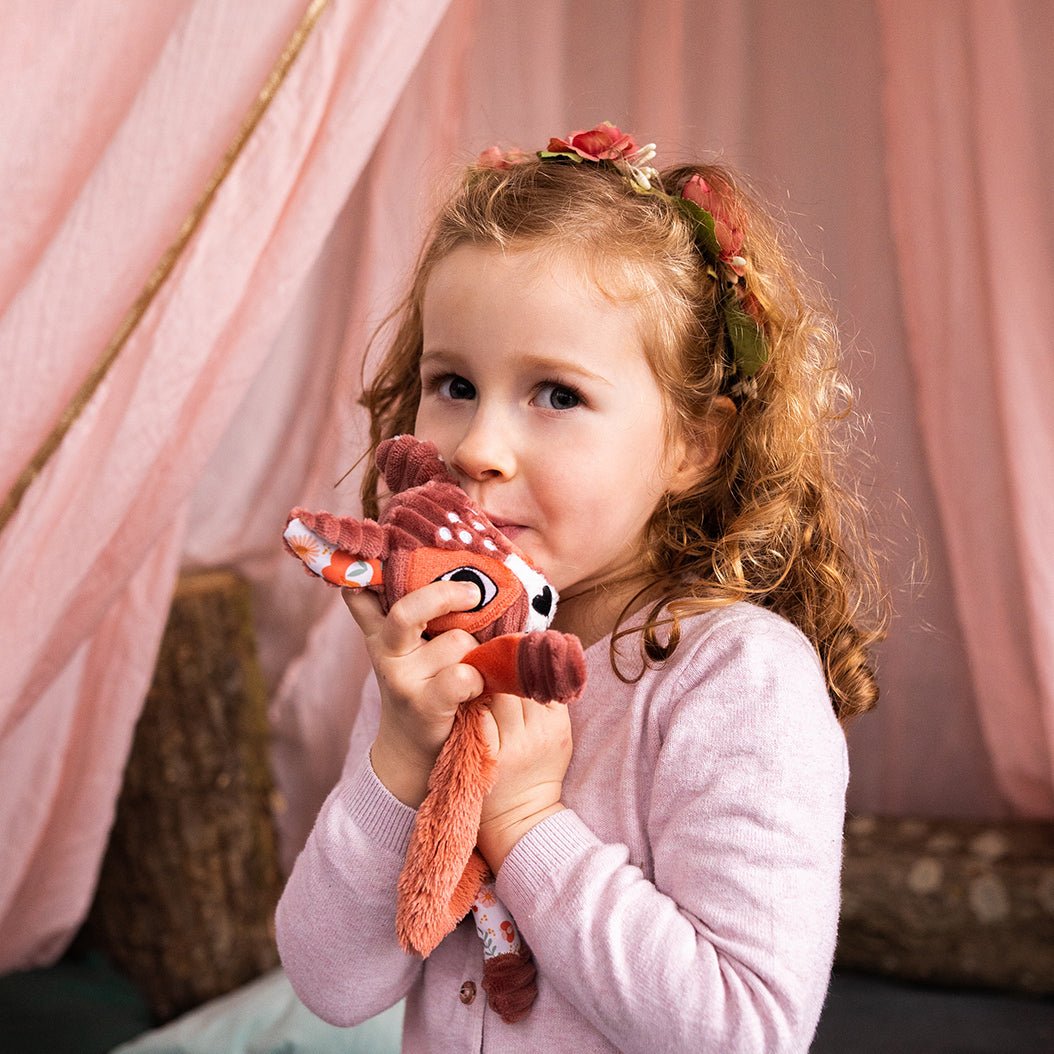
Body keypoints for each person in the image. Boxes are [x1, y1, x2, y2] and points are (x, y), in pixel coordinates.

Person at [275, 121, 887, 1053]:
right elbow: (333, 984)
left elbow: (746, 1032)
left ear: (693, 443)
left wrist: (526, 822)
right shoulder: (434, 652)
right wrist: (402, 751)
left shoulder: (736, 679)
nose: (477, 448)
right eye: (452, 383)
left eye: (556, 395)